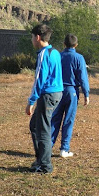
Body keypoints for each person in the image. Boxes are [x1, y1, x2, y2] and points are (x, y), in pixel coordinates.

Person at [26, 24, 63, 173]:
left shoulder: (43, 54)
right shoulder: (55, 52)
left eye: (32, 37)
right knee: (35, 126)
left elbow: (39, 80)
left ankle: (45, 166)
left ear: (38, 37)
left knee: (43, 130)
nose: (31, 40)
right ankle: (40, 159)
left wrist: (31, 101)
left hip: (48, 95)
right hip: (56, 93)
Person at [51, 34, 90, 158]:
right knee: (68, 120)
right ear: (76, 45)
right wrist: (86, 93)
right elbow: (82, 77)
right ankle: (64, 149)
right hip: (71, 91)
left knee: (54, 119)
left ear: (64, 44)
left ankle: (48, 147)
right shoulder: (79, 58)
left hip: (57, 90)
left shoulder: (58, 56)